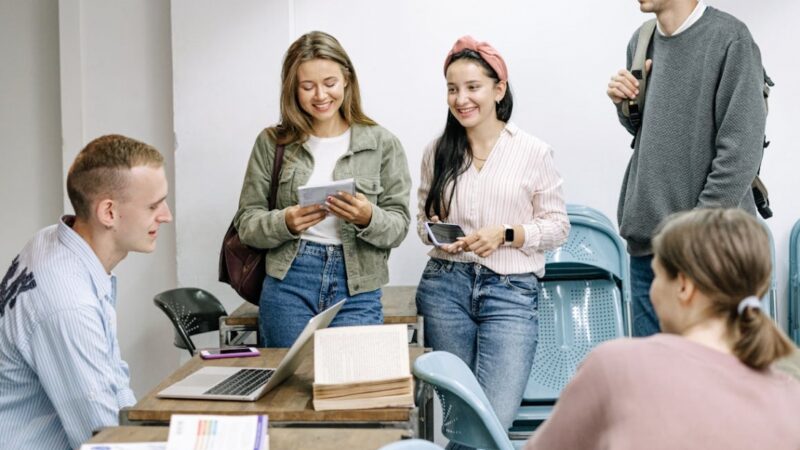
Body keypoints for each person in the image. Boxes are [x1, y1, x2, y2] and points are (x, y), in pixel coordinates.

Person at [524, 208, 800, 450]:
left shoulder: (617, 366)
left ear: (683, 286)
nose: (651, 289)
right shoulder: (791, 396)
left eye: (656, 276)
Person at [416, 36, 570, 447]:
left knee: (490, 420)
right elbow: (421, 222)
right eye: (452, 89)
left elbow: (557, 226)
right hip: (445, 287)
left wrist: (506, 234)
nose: (461, 99)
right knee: (460, 418)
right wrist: (436, 233)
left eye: (472, 87)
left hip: (511, 293)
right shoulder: (438, 151)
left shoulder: (534, 152)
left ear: (498, 89)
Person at [234, 31, 411, 348]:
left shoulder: (382, 143)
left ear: (346, 79)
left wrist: (368, 216)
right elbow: (247, 223)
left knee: (351, 389)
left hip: (357, 286)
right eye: (307, 86)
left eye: (329, 83)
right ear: (293, 89)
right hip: (289, 281)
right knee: (286, 391)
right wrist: (285, 222)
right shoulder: (271, 144)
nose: (320, 95)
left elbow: (399, 227)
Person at [0, 135, 173, 449]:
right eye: (153, 205)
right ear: (108, 212)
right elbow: (102, 441)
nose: (166, 215)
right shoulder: (68, 304)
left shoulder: (53, 241)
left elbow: (112, 376)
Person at [607, 0, 767, 336]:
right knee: (656, 379)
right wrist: (626, 107)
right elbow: (650, 132)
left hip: (710, 252)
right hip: (648, 246)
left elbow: (740, 154)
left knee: (716, 378)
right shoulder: (641, 41)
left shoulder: (731, 39)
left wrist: (692, 238)